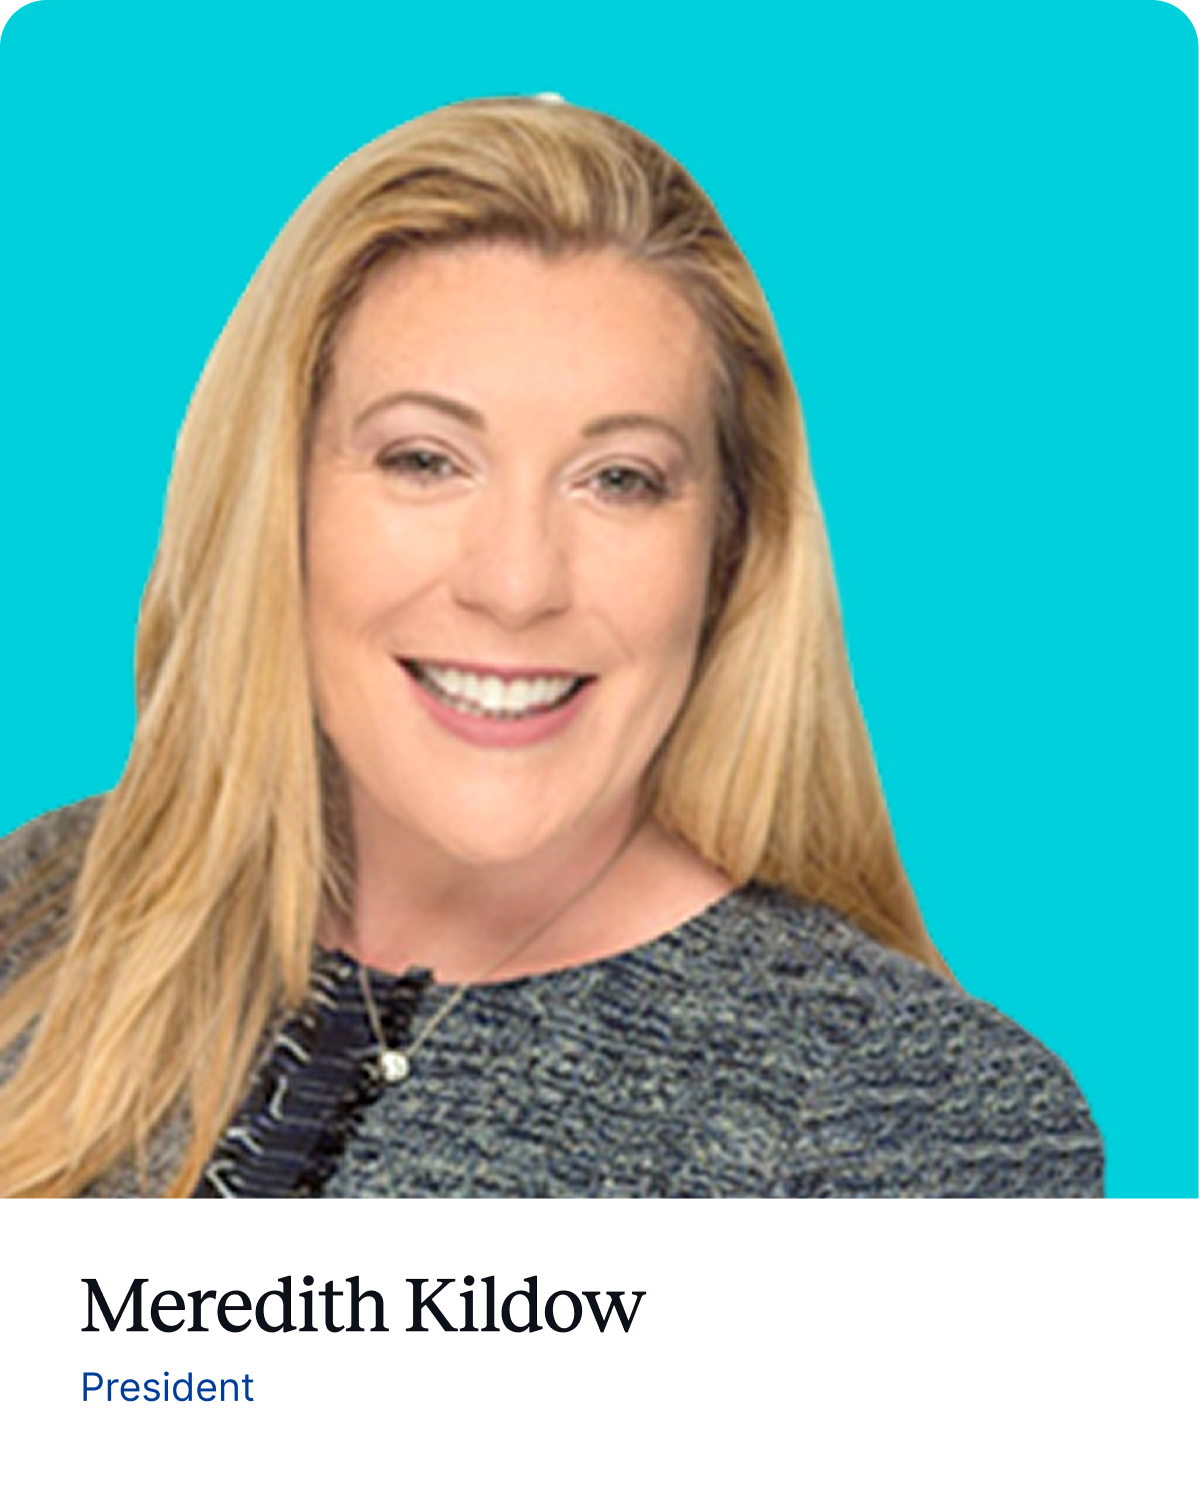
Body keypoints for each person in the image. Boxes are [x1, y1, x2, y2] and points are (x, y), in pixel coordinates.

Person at [0, 97, 1103, 1198]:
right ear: (275, 500)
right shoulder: (42, 902)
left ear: (729, 545)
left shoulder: (920, 1120)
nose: (518, 584)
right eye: (424, 460)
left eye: (619, 479)